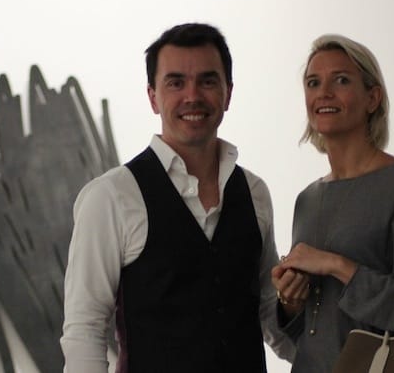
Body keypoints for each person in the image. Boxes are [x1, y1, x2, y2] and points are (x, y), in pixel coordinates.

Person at [61, 23, 294, 373]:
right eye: (175, 83)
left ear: (228, 93)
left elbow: (267, 311)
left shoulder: (255, 192)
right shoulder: (110, 197)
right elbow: (85, 330)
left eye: (207, 81)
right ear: (153, 97)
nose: (192, 96)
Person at [272, 34, 394, 373]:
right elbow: (313, 330)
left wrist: (337, 265)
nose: (324, 93)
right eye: (313, 82)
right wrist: (290, 301)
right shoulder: (306, 200)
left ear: (373, 97)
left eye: (341, 80)